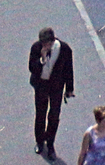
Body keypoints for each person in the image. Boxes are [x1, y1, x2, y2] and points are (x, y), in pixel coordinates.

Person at [28, 27, 74, 157]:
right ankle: (39, 141)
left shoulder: (64, 49)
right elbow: (32, 67)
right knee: (40, 114)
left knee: (54, 116)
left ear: (53, 41)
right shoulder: (36, 48)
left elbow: (68, 69)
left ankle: (50, 143)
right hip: (41, 85)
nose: (45, 46)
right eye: (43, 43)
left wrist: (69, 89)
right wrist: (42, 59)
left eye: (47, 43)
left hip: (56, 87)